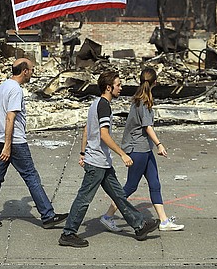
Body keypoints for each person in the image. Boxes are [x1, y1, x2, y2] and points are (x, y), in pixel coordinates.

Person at [58, 70, 160, 248]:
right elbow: (104, 135)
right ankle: (68, 233)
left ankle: (139, 225)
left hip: (101, 162)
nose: (121, 88)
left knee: (119, 196)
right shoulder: (104, 106)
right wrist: (122, 154)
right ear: (108, 87)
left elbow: (86, 130)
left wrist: (83, 153)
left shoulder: (95, 104)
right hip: (97, 162)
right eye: (118, 85)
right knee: (84, 198)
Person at [0, 58, 67, 228]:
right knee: (31, 176)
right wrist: (8, 146)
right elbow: (10, 117)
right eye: (31, 69)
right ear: (24, 71)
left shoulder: (3, 86)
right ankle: (48, 216)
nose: (32, 73)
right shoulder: (16, 90)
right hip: (14, 141)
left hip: (0, 138)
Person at [99, 67, 185, 233]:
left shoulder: (141, 99)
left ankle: (164, 221)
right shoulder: (143, 102)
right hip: (137, 149)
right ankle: (108, 216)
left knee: (154, 183)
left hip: (145, 149)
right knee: (130, 186)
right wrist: (159, 144)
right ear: (155, 82)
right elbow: (147, 127)